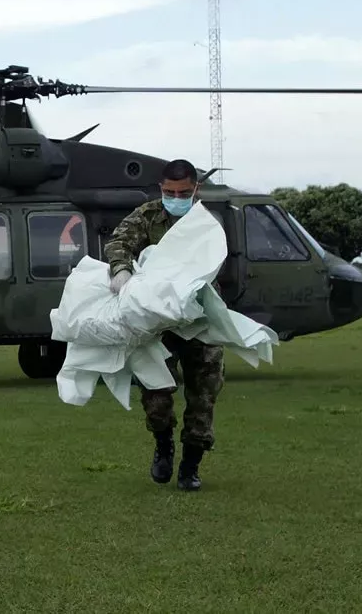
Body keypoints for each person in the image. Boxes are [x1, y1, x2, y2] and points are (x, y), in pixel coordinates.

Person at [103, 158, 224, 492]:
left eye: (183, 192)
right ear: (161, 188)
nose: (176, 197)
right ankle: (163, 445)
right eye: (170, 191)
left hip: (200, 322)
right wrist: (121, 268)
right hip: (158, 324)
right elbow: (118, 242)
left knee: (203, 396)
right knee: (156, 395)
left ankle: (190, 466)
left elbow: (214, 264)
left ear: (195, 189)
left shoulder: (206, 224)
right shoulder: (148, 216)